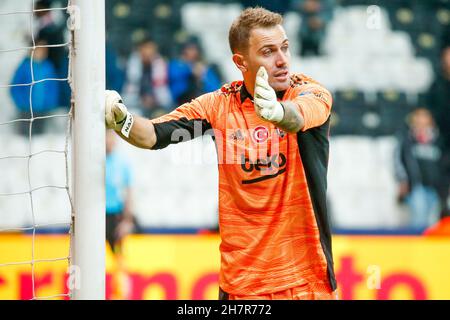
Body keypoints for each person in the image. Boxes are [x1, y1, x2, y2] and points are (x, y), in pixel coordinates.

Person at [105, 7, 337, 300]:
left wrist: (278, 112)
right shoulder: (219, 107)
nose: (282, 60)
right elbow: (152, 134)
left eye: (285, 48)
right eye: (268, 52)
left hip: (306, 283)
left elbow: (302, 115)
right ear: (241, 62)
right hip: (241, 288)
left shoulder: (307, 92)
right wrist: (120, 118)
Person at [394, 108, 446, 230]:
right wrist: (403, 181)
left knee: (433, 222)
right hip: (416, 187)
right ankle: (416, 248)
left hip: (435, 188)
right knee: (419, 219)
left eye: (425, 118)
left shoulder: (438, 140)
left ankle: (429, 248)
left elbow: (443, 164)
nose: (422, 122)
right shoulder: (407, 139)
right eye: (418, 119)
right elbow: (398, 161)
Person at [105, 129, 135, 299]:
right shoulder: (95, 162)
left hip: (115, 217)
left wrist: (127, 221)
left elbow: (129, 192)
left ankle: (121, 295)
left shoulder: (122, 163)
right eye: (107, 137)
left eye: (112, 138)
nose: (110, 141)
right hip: (95, 217)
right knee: (92, 258)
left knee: (119, 259)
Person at [10, 37, 60, 135]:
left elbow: (54, 86)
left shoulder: (48, 67)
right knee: (25, 136)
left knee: (40, 137)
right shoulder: (24, 66)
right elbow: (15, 87)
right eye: (39, 49)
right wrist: (21, 102)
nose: (42, 52)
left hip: (43, 109)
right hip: (26, 109)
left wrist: (50, 102)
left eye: (45, 49)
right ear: (32, 50)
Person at [122, 37, 172, 118]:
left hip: (157, 103)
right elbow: (130, 91)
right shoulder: (132, 63)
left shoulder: (159, 63)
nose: (148, 52)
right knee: (133, 115)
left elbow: (163, 93)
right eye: (145, 48)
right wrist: (142, 100)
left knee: (163, 116)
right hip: (136, 103)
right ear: (140, 49)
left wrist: (152, 99)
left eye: (151, 49)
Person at [168, 38, 222, 105]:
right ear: (184, 50)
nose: (194, 52)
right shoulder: (176, 64)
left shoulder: (202, 66)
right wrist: (190, 72)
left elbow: (214, 87)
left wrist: (201, 76)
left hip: (206, 101)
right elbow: (176, 85)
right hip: (183, 101)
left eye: (195, 49)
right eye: (190, 49)